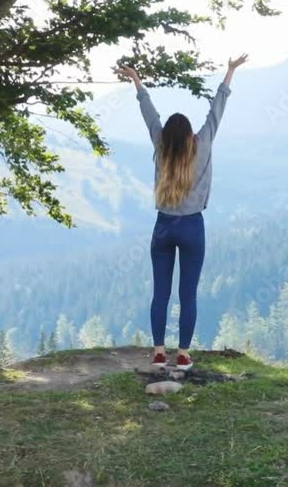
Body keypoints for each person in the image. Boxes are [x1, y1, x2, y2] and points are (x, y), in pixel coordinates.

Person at [114, 55, 247, 370]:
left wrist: (136, 80)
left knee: (160, 293)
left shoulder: (160, 145)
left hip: (163, 226)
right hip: (192, 227)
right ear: (189, 135)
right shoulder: (203, 144)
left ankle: (160, 353)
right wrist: (229, 71)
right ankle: (184, 355)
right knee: (188, 294)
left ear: (167, 136)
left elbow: (149, 114)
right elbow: (216, 111)